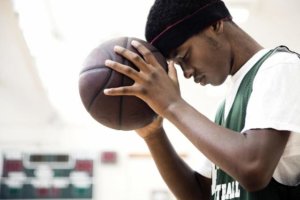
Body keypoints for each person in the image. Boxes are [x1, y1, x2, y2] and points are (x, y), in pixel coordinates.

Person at [104, 0, 300, 199]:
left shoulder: (280, 67)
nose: (187, 73)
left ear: (215, 25)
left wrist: (172, 105)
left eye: (184, 56)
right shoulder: (225, 107)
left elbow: (253, 169)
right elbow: (199, 194)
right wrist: (154, 136)